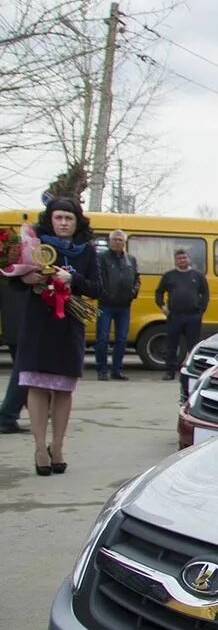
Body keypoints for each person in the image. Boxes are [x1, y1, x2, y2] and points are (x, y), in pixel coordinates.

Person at [14, 198, 101, 475]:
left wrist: (71, 280)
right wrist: (25, 279)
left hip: (69, 326)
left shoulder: (87, 252)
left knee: (63, 389)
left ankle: (58, 446)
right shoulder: (36, 246)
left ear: (77, 222)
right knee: (37, 386)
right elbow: (14, 283)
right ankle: (40, 448)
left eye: (69, 218)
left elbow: (97, 288)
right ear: (50, 219)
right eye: (59, 217)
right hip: (38, 326)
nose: (63, 222)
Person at [156, 248, 209, 381]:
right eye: (179, 258)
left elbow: (205, 293)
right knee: (172, 345)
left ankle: (192, 372)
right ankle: (170, 372)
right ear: (175, 260)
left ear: (189, 259)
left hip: (193, 316)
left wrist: (201, 310)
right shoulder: (169, 276)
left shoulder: (197, 276)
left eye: (184, 258)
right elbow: (158, 292)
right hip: (175, 316)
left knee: (193, 346)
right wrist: (162, 306)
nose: (182, 260)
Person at [95, 229, 139, 381]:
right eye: (114, 239)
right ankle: (102, 369)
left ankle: (117, 370)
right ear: (109, 241)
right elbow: (97, 277)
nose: (117, 242)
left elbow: (137, 278)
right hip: (105, 304)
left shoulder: (131, 259)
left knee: (121, 339)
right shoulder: (101, 257)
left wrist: (134, 292)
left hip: (124, 306)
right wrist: (104, 293)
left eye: (120, 240)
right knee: (102, 338)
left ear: (124, 243)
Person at [1, 275, 27, 433]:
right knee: (24, 372)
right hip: (23, 325)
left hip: (12, 324)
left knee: (25, 373)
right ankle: (6, 416)